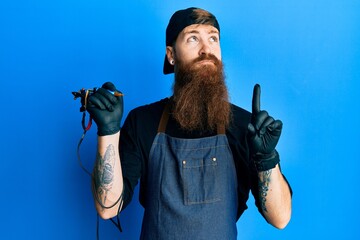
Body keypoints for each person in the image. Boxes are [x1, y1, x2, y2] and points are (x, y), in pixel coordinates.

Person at [86, 7, 292, 240]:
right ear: (171, 54)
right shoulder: (143, 121)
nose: (207, 49)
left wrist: (267, 159)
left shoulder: (246, 126)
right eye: (193, 38)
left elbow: (281, 218)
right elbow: (107, 207)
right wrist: (109, 131)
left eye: (213, 38)